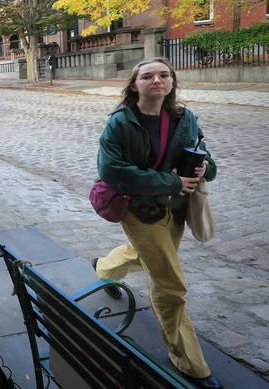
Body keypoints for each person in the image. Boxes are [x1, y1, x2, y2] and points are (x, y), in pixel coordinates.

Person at [93, 57, 222, 389]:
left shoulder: (184, 118)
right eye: (147, 76)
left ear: (172, 82)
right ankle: (189, 362)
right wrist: (172, 182)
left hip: (174, 209)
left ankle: (105, 270)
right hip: (139, 210)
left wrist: (203, 168)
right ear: (134, 85)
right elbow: (113, 172)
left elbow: (204, 154)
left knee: (146, 256)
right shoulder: (120, 123)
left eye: (164, 74)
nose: (156, 80)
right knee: (169, 284)